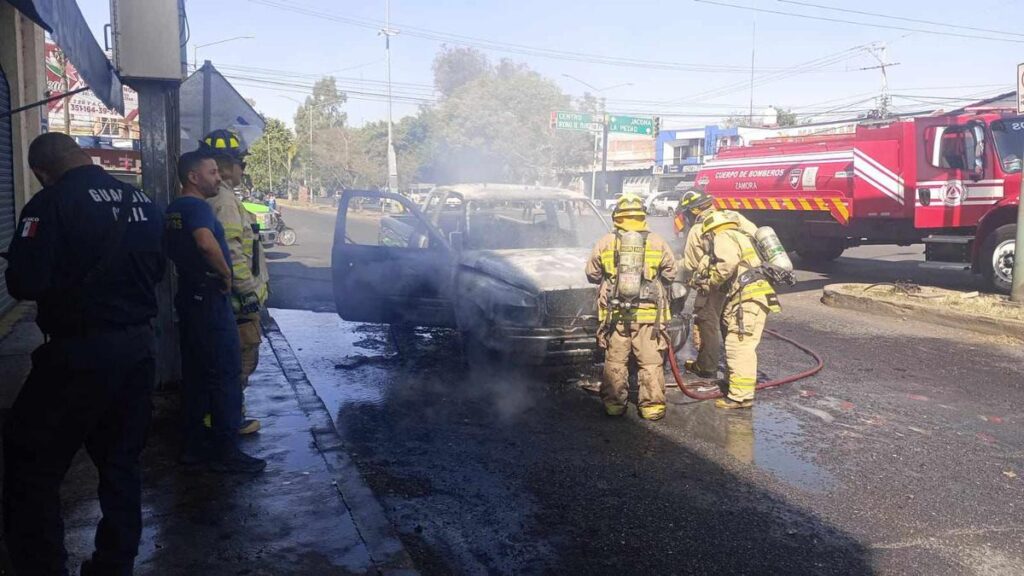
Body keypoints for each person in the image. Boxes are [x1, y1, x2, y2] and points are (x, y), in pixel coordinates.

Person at [2, 133, 164, 575]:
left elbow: (25, 284)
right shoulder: (142, 201)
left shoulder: (49, 204)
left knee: (29, 466)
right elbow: (157, 270)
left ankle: (42, 566)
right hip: (137, 350)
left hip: (79, 355)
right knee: (121, 464)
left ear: (40, 171)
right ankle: (115, 563)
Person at [165, 150, 266, 473]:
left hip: (189, 296)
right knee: (225, 374)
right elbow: (207, 244)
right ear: (193, 177)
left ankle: (194, 446)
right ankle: (226, 451)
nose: (218, 178)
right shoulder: (198, 208)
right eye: (211, 173)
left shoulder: (174, 209)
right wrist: (226, 276)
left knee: (195, 375)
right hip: (210, 299)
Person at [586, 193, 678, 420]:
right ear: (642, 215)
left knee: (616, 359)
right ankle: (652, 407)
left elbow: (592, 273)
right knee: (649, 361)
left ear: (617, 215)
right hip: (649, 316)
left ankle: (615, 405)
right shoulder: (657, 241)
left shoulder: (606, 241)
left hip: (616, 314)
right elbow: (671, 272)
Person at [201, 130, 269, 435]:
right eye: (241, 163)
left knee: (226, 361)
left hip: (226, 301)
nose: (243, 169)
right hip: (239, 303)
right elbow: (233, 251)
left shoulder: (218, 198)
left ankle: (221, 414)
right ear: (227, 165)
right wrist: (248, 292)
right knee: (239, 362)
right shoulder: (225, 201)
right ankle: (227, 419)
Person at [693, 210, 780, 409]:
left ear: (711, 232)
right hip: (748, 297)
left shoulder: (723, 236)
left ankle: (740, 397)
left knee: (738, 346)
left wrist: (711, 280)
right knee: (735, 341)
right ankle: (733, 384)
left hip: (747, 299)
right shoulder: (742, 236)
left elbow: (727, 265)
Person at [674, 187, 757, 379]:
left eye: (687, 213)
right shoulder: (734, 217)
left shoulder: (698, 228)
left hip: (720, 280)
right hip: (748, 279)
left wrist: (671, 264)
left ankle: (707, 366)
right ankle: (734, 370)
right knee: (735, 325)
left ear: (694, 210)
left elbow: (691, 263)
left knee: (706, 319)